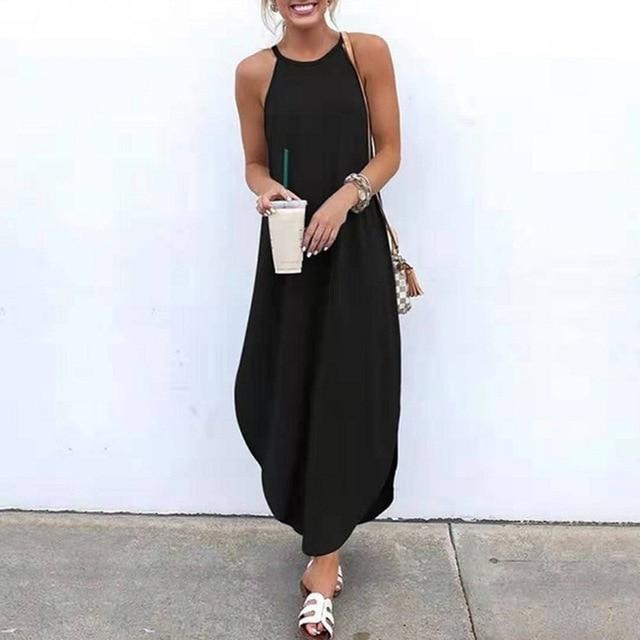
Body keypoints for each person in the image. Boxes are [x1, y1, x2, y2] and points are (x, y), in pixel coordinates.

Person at [233, 2, 402, 637]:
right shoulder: (254, 72)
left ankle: (323, 567)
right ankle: (318, 545)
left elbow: (390, 151)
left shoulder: (366, 53)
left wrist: (344, 199)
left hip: (353, 252)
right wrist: (266, 190)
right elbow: (254, 163)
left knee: (346, 395)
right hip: (288, 254)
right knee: (285, 389)